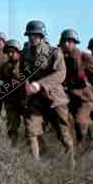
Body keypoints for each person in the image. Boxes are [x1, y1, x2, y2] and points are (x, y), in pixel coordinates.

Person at [21, 20, 73, 162]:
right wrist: (26, 84)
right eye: (29, 35)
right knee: (31, 131)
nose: (31, 38)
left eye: (35, 35)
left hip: (54, 98)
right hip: (35, 99)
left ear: (42, 36)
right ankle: (35, 165)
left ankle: (70, 163)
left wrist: (40, 84)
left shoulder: (54, 52)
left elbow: (60, 74)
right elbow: (22, 73)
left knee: (62, 133)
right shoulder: (25, 53)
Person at [59, 30, 93, 149]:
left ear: (75, 43)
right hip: (69, 95)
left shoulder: (84, 57)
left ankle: (82, 147)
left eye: (69, 41)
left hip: (84, 97)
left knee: (80, 122)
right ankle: (86, 139)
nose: (66, 44)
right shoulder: (60, 57)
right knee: (69, 121)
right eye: (64, 42)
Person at [0, 39, 24, 147]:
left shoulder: (24, 64)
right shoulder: (4, 67)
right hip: (11, 101)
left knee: (30, 127)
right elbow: (1, 83)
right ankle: (14, 147)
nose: (10, 54)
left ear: (18, 51)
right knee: (12, 127)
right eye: (8, 52)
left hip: (24, 99)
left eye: (13, 52)